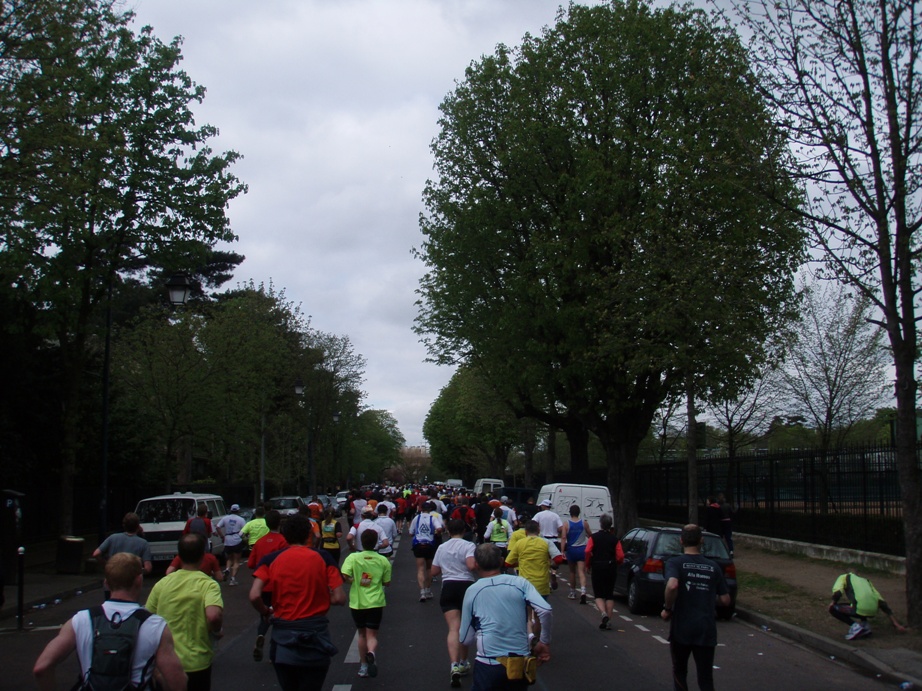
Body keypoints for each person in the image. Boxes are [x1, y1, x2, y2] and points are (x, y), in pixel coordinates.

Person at [33, 552, 187, 691]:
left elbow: (41, 667)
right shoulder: (155, 625)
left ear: (106, 583)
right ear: (139, 580)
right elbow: (177, 681)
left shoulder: (81, 620)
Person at [249, 514, 347, 691]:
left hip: (284, 637)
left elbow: (254, 595)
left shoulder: (270, 560)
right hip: (315, 636)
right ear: (309, 534)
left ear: (284, 535)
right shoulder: (324, 558)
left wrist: (265, 611)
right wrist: (324, 597)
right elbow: (339, 598)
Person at [459, 544, 553, 691]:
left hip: (488, 663)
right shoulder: (520, 583)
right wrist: (544, 641)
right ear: (502, 561)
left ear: (476, 564)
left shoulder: (473, 591)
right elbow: (545, 610)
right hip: (518, 663)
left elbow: (465, 638)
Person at [146, 534, 224, 691]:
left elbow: (147, 618)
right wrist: (216, 630)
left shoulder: (162, 583)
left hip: (166, 662)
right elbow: (213, 615)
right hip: (197, 662)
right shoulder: (208, 584)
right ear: (203, 556)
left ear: (179, 556)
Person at [660, 524, 730, 691]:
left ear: (681, 541)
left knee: (679, 671)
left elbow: (672, 585)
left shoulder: (675, 563)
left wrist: (667, 608)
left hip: (682, 627)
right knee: (705, 677)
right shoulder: (713, 567)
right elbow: (726, 600)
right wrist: (708, 596)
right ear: (702, 541)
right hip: (705, 627)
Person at [340, 529, 393, 678]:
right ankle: (371, 652)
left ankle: (363, 665)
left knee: (361, 634)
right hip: (376, 602)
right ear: (376, 542)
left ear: (360, 542)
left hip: (357, 602)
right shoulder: (383, 560)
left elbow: (344, 575)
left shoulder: (353, 558)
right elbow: (387, 583)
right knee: (372, 635)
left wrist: (354, 581)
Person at [431, 518, 477, 687]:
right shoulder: (468, 546)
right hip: (466, 586)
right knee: (466, 627)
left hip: (448, 586)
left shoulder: (442, 547)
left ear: (448, 531)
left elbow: (434, 571)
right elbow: (472, 565)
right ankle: (464, 661)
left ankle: (454, 665)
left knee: (453, 628)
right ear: (464, 531)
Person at [247, 509, 290, 662]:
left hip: (262, 585)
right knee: (280, 617)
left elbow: (251, 563)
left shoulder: (259, 542)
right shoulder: (283, 541)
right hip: (277, 585)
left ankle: (260, 634)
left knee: (264, 615)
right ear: (279, 523)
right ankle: (274, 652)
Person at [828, 571, 907, 640]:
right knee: (860, 603)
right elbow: (882, 603)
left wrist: (833, 602)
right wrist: (896, 624)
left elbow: (838, 593)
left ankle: (855, 626)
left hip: (859, 608)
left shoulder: (844, 577)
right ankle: (865, 625)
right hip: (872, 611)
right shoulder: (866, 581)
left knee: (833, 608)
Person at [93, 512, 153, 598]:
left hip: (111, 583)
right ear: (138, 526)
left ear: (123, 525)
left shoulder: (112, 538)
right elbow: (148, 568)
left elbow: (96, 554)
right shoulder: (143, 543)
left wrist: (106, 565)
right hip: (130, 586)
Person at [585, 513, 624, 630]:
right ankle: (609, 621)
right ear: (610, 525)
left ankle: (603, 613)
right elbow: (620, 556)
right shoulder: (615, 539)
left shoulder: (594, 538)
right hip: (610, 568)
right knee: (609, 595)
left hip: (597, 567)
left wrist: (588, 564)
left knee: (598, 594)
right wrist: (617, 563)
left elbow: (587, 551)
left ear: (600, 524)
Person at [409, 500, 444, 601]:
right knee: (429, 568)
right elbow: (439, 528)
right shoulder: (433, 518)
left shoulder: (416, 518)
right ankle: (428, 590)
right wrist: (435, 533)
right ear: (430, 510)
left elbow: (411, 532)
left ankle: (422, 592)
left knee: (420, 569)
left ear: (421, 509)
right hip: (430, 545)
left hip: (418, 544)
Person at [533, 499, 565, 590]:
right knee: (553, 561)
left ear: (544, 506)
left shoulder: (539, 515)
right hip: (553, 540)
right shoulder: (555, 516)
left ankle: (547, 582)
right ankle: (553, 573)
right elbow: (560, 528)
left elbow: (533, 524)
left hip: (542, 539)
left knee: (543, 561)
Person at [564, 504, 591, 604]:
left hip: (571, 549)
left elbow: (563, 537)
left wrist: (562, 550)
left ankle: (572, 592)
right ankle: (583, 591)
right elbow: (590, 534)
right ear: (579, 512)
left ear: (570, 513)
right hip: (581, 549)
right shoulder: (584, 523)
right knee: (581, 572)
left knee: (572, 572)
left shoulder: (566, 524)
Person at [215, 504, 247, 585]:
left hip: (227, 540)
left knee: (229, 558)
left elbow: (218, 527)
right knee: (236, 561)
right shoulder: (241, 519)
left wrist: (222, 536)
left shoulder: (225, 518)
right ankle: (233, 579)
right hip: (237, 540)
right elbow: (245, 530)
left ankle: (227, 569)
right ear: (238, 510)